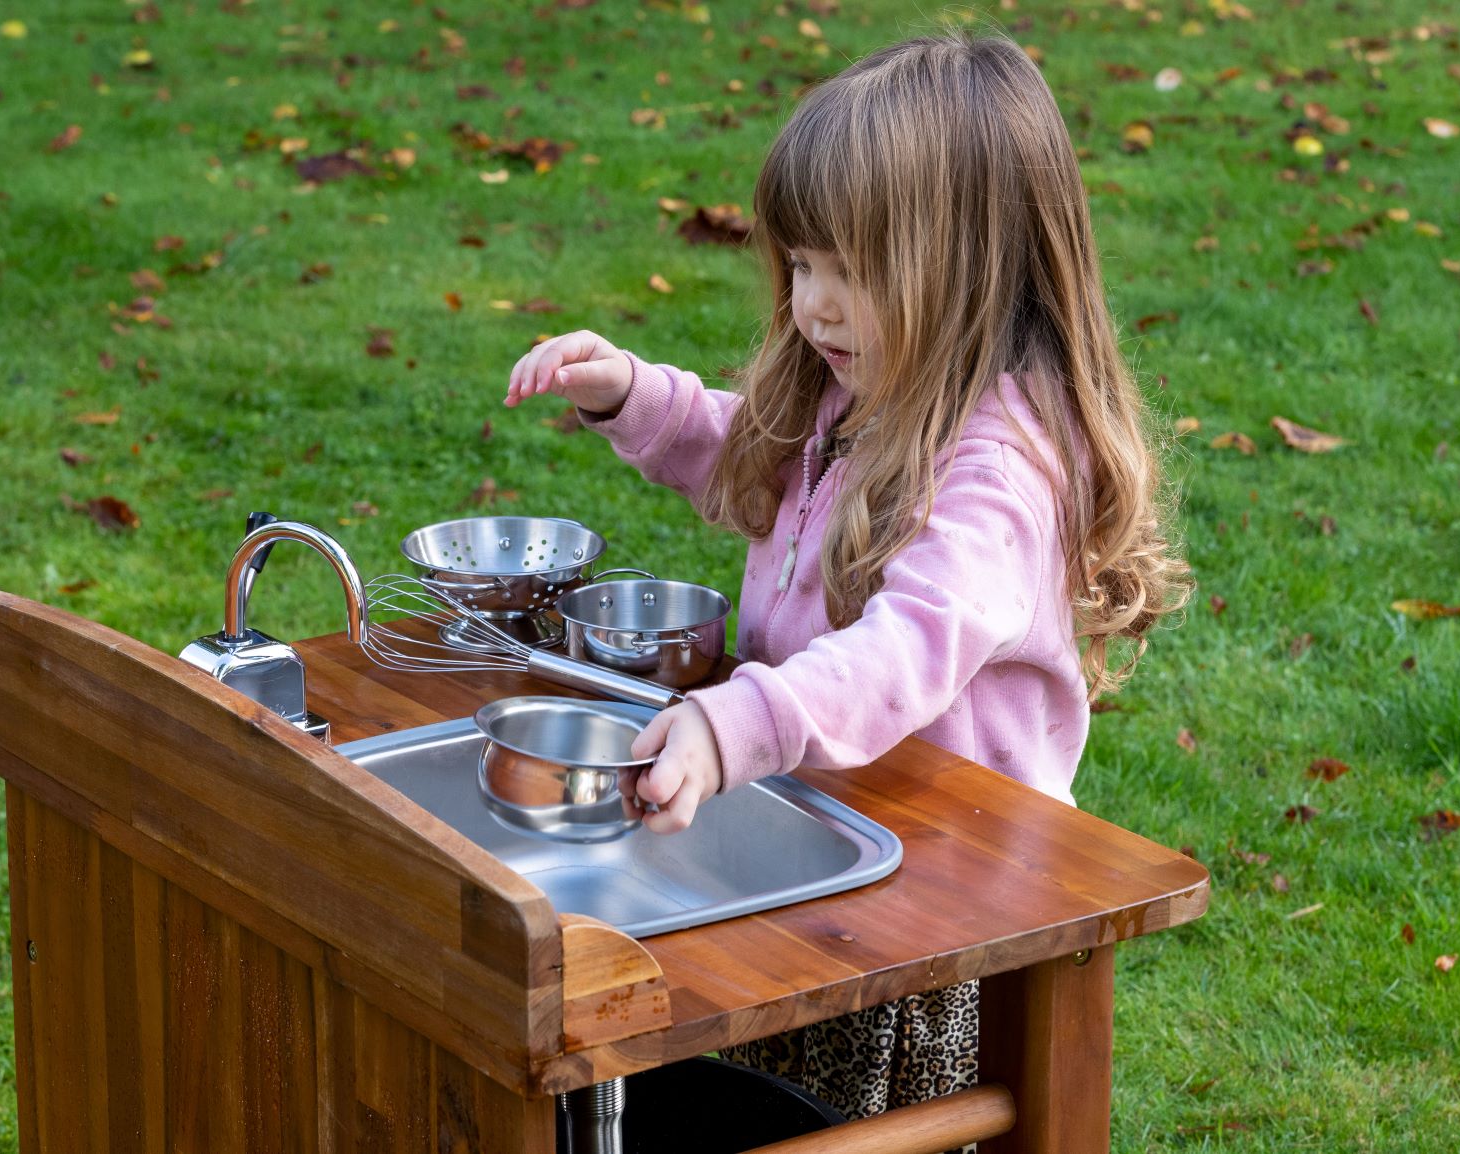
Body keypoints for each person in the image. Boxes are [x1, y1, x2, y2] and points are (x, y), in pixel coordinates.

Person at [504, 29, 1190, 1130]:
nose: (813, 305)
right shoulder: (869, 380)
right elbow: (757, 461)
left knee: (849, 1125)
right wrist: (629, 393)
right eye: (800, 265)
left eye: (848, 272)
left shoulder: (999, 467)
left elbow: (902, 651)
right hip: (828, 829)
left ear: (967, 267)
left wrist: (740, 722)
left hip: (935, 905)